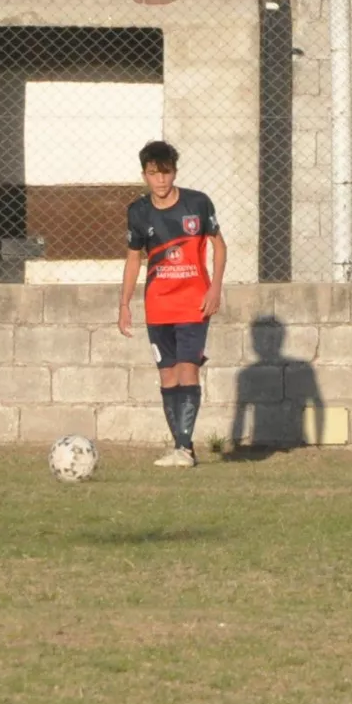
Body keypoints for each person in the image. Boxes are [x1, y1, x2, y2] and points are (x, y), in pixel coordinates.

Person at [118, 140, 227, 468]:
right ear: (144, 176)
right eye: (154, 174)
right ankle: (182, 447)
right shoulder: (138, 211)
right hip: (158, 305)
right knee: (167, 375)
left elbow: (219, 247)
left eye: (166, 173)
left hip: (194, 302)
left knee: (187, 368)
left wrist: (215, 289)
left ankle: (183, 448)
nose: (161, 180)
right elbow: (133, 260)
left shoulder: (198, 203)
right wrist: (124, 304)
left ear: (174, 173)